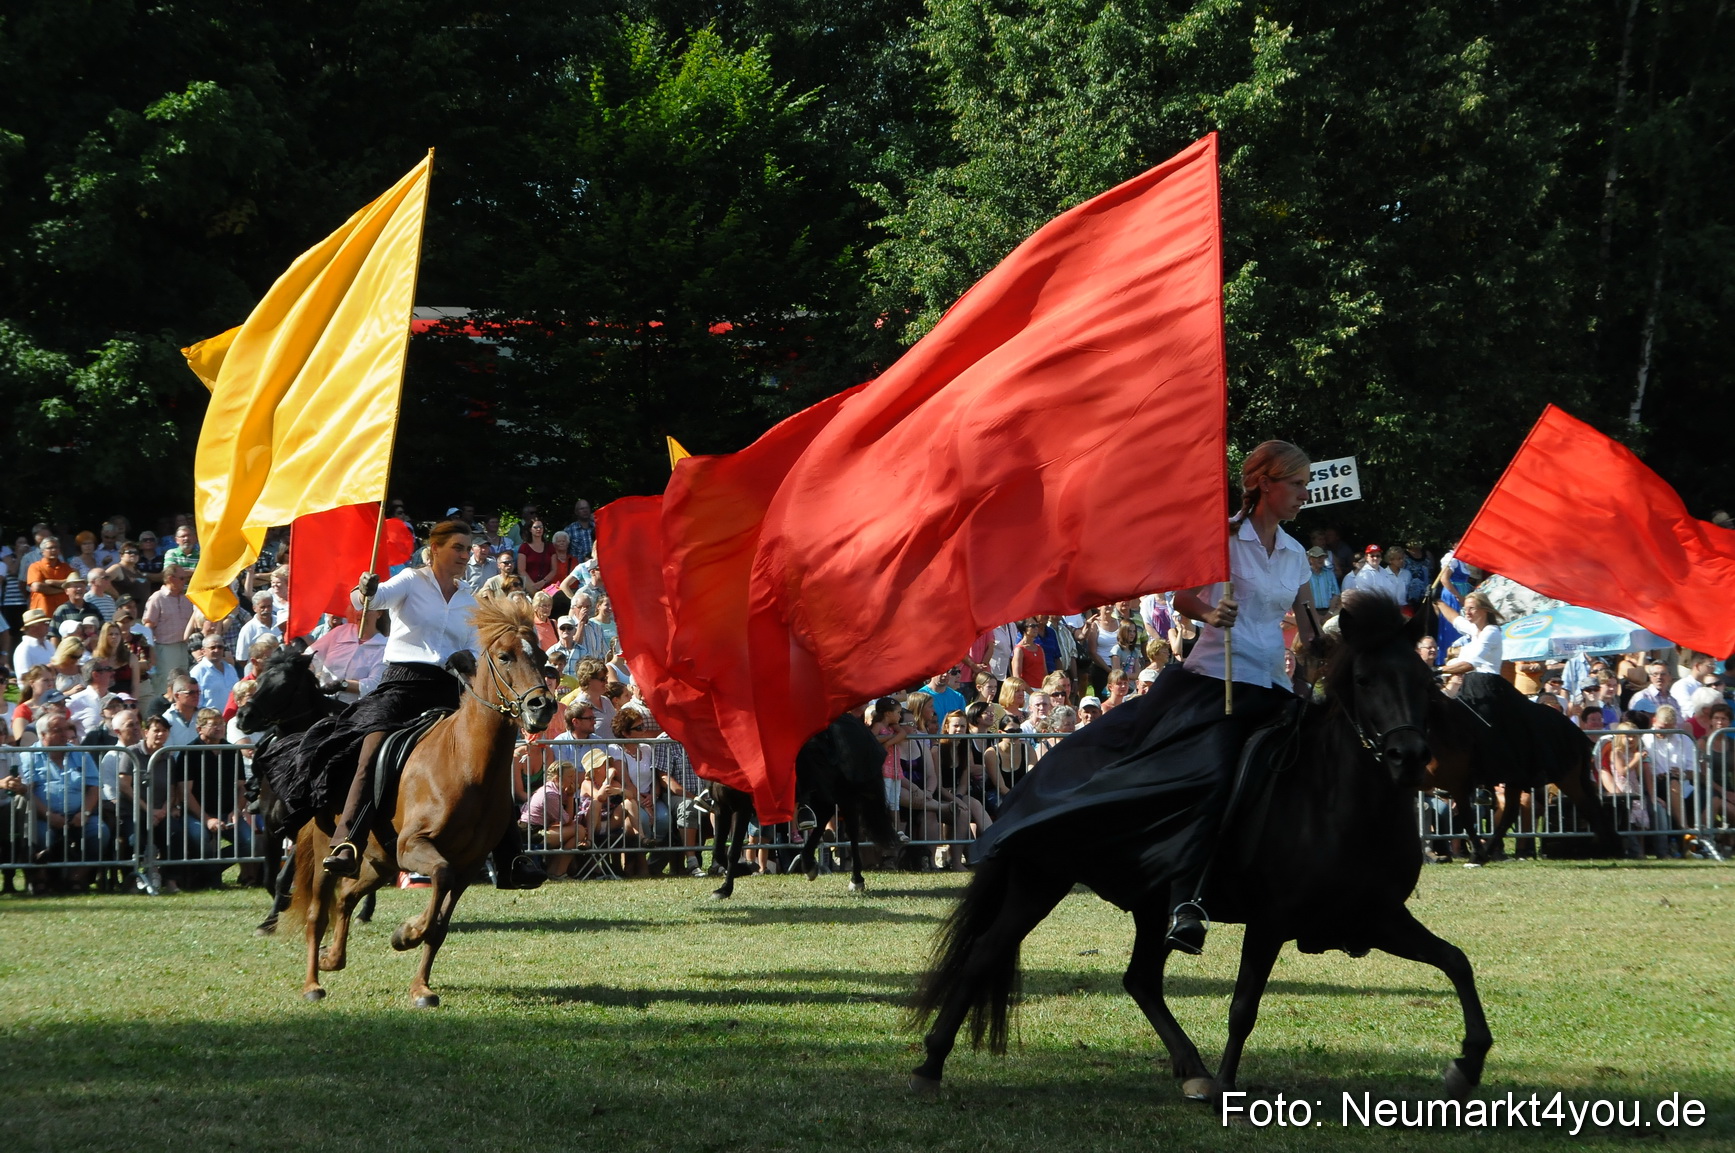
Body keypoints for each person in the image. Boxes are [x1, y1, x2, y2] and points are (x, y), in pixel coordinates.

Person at [972, 441, 1315, 956]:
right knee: (1216, 777)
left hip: (1273, 686)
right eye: (1297, 484)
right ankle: (1187, 898)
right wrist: (1208, 612)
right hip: (1216, 682)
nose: (1304, 495)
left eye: (1308, 485)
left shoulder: (1296, 556)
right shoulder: (1221, 538)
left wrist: (1335, 647)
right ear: (1266, 484)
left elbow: (1311, 627)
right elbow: (1182, 596)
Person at [313, 519, 482, 877]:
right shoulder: (410, 580)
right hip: (402, 684)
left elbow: (475, 646)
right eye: (458, 547)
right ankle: (348, 841)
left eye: (468, 549)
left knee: (485, 753)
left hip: (449, 687)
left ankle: (509, 852)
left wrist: (467, 659)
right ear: (435, 548)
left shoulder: (470, 597)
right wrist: (366, 589)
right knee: (371, 749)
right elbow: (371, 599)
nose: (465, 555)